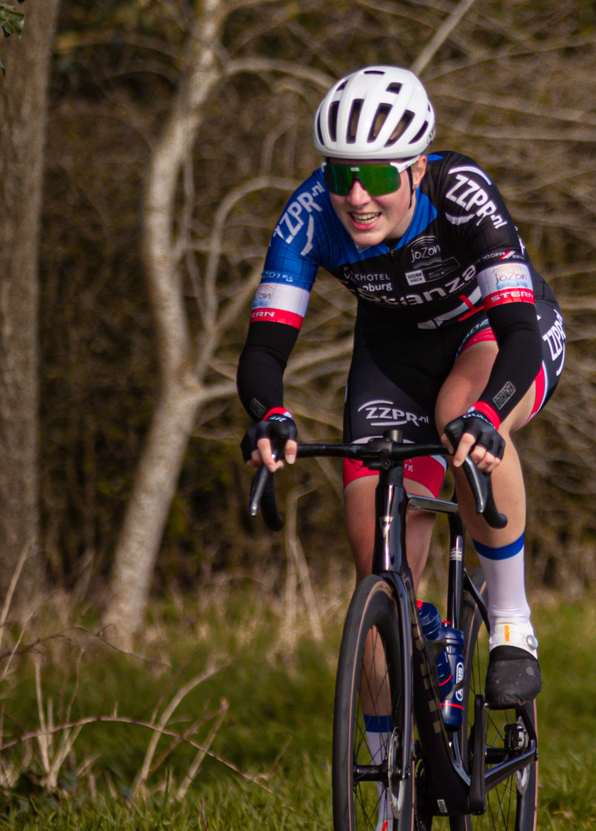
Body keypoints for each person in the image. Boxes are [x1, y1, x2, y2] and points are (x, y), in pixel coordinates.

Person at [239, 64, 564, 722]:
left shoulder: (463, 193)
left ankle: (509, 622)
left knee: (458, 421)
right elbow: (266, 346)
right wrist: (270, 414)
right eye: (339, 174)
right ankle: (390, 800)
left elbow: (519, 336)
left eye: (380, 175)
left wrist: (486, 414)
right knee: (377, 568)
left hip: (492, 336)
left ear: (416, 170)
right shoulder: (310, 216)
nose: (357, 196)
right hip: (394, 360)